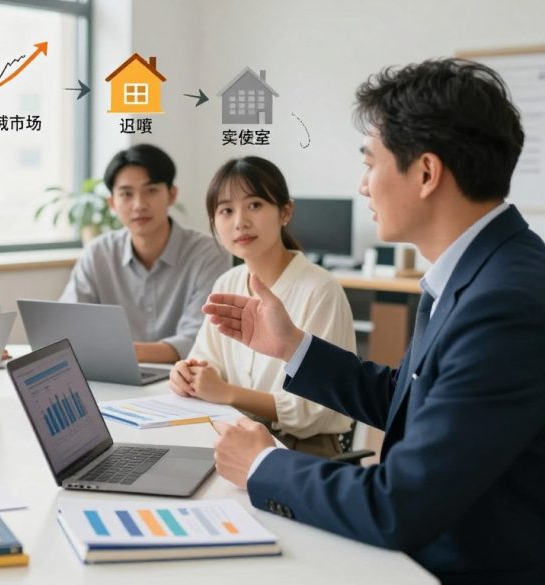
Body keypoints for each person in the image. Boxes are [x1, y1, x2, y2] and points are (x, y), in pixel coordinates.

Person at [204, 59, 545, 583]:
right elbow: (408, 397)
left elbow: (399, 506)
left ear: (426, 173)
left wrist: (260, 465)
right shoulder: (478, 271)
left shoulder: (505, 302)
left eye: (371, 163)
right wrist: (293, 345)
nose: (363, 186)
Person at [169, 156, 354, 457]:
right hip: (236, 437)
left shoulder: (321, 290)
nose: (240, 221)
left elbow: (312, 409)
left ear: (285, 212)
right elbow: (207, 362)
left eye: (254, 205)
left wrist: (227, 393)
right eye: (226, 210)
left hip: (305, 451)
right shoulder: (226, 283)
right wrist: (188, 374)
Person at [61, 144, 229, 363]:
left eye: (151, 190)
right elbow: (68, 325)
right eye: (126, 194)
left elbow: (199, 339)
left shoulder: (208, 254)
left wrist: (114, 352)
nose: (139, 205)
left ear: (171, 195)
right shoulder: (97, 254)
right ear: (112, 202)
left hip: (186, 379)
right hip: (111, 377)